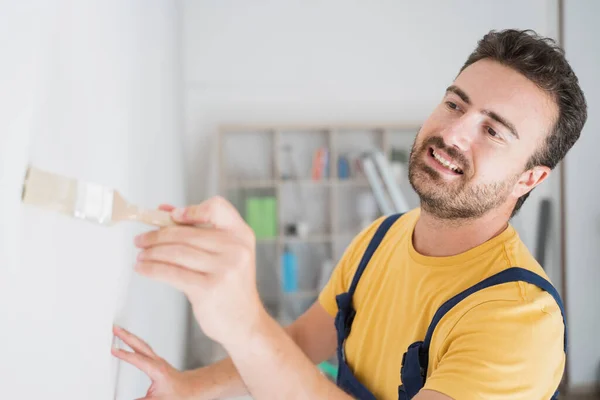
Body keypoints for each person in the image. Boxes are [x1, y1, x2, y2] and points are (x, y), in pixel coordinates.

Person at [112, 29, 587, 400]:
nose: (454, 133)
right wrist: (187, 387)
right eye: (454, 103)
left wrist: (245, 323)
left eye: (493, 131)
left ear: (530, 179)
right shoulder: (380, 240)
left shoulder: (518, 319)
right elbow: (300, 342)